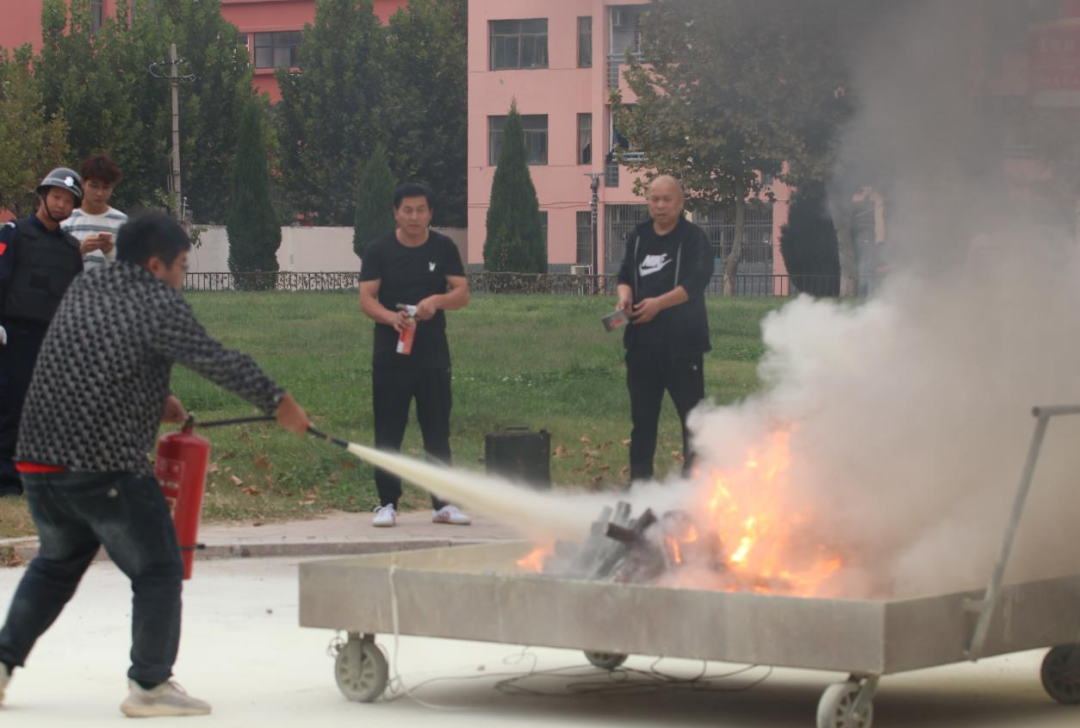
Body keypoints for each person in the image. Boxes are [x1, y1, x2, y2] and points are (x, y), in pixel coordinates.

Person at [0, 211, 312, 717]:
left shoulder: (89, 285)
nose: (182, 276)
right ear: (155, 265)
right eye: (182, 265)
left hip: (37, 460)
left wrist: (156, 392)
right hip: (101, 465)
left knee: (55, 567)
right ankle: (150, 684)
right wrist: (280, 402)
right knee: (159, 568)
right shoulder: (157, 301)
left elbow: (90, 350)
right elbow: (215, 359)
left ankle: (1, 663)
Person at [359, 183, 471, 527]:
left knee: (437, 430)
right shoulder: (379, 249)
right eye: (407, 210)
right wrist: (390, 318)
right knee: (388, 431)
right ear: (396, 212)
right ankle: (387, 503)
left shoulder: (443, 247)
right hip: (390, 356)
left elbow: (462, 293)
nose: (414, 216)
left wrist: (437, 301)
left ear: (430, 213)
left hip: (432, 356)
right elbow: (366, 297)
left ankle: (442, 505)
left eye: (421, 210)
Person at [615, 175, 713, 484]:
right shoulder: (639, 237)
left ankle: (692, 488)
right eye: (654, 199)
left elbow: (696, 282)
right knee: (642, 422)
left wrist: (659, 304)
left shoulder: (694, 238)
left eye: (667, 199)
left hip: (683, 346)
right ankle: (640, 487)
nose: (660, 205)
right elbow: (624, 275)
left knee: (692, 421)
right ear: (647, 201)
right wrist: (624, 298)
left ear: (680, 202)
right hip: (642, 346)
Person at [0, 168, 85, 497]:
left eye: (68, 200)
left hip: (52, 338)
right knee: (11, 406)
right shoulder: (14, 234)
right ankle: (7, 480)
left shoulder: (70, 249)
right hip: (13, 335)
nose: (61, 204)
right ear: (43, 196)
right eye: (56, 197)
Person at [62, 153, 127, 272]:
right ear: (83, 184)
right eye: (94, 186)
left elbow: (131, 271)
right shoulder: (65, 219)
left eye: (105, 187)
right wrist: (80, 251)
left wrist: (110, 252)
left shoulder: (123, 223)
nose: (99, 193)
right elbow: (54, 266)